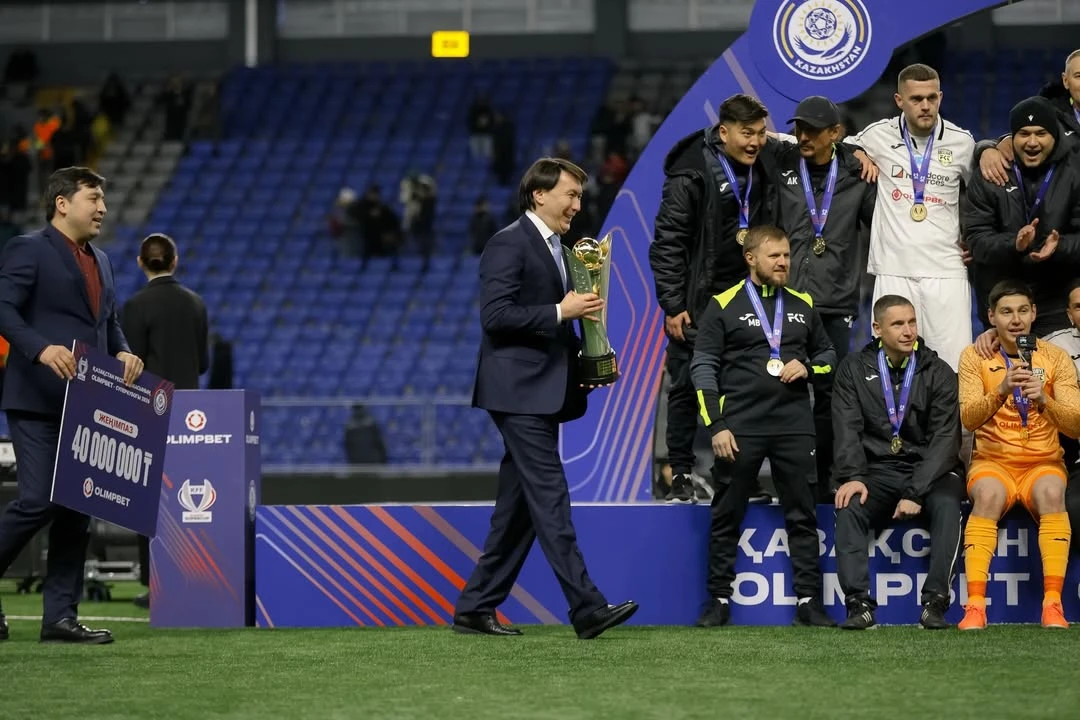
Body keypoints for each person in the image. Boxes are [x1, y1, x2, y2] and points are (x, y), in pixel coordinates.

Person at [453, 157, 637, 640]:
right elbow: (496, 317)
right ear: (539, 194)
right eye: (570, 195)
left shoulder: (561, 249)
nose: (577, 205)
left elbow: (558, 329)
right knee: (550, 497)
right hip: (517, 392)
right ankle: (587, 607)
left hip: (541, 391)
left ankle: (475, 608)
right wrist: (561, 310)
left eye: (579, 196)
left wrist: (590, 361)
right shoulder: (507, 242)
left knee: (519, 511)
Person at [0, 166, 143, 644]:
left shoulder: (101, 260)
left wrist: (123, 350)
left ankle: (60, 618)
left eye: (102, 199)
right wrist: (40, 349)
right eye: (93, 198)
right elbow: (3, 308)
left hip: (86, 404)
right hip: (36, 400)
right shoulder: (28, 248)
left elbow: (108, 322)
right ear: (62, 203)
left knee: (76, 509)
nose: (102, 207)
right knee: (37, 500)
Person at [690, 225, 836, 628]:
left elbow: (828, 354)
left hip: (794, 426)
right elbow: (703, 367)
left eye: (787, 255)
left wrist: (808, 366)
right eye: (775, 256)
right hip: (739, 427)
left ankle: (809, 602)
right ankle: (718, 600)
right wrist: (716, 425)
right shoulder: (722, 304)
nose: (784, 262)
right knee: (726, 515)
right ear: (750, 258)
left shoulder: (803, 304)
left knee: (803, 516)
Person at [649, 93, 780, 504]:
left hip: (746, 297)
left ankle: (735, 475)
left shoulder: (765, 161)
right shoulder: (691, 173)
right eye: (747, 134)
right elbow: (668, 242)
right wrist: (673, 304)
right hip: (697, 299)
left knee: (744, 386)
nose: (755, 142)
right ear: (724, 132)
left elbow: (811, 146)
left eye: (761, 133)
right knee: (686, 386)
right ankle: (680, 474)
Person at [831, 295, 964, 630]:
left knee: (948, 505)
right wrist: (852, 475)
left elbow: (945, 441)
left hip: (931, 472)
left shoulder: (939, 371)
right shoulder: (853, 369)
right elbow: (846, 428)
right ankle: (858, 605)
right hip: (877, 471)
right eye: (898, 324)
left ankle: (935, 603)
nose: (908, 331)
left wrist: (916, 491)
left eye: (912, 322)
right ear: (877, 329)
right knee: (849, 504)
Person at [956, 281, 1079, 630]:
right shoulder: (974, 357)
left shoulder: (1055, 357)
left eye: (1023, 311)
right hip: (993, 461)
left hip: (1043, 461)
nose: (1016, 320)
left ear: (1034, 313)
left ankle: (1052, 604)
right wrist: (1001, 390)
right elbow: (968, 418)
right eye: (1006, 312)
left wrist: (1044, 400)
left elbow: (1075, 426)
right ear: (991, 316)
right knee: (988, 495)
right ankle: (975, 607)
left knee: (1052, 493)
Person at [772, 95, 877, 496]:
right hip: (786, 299)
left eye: (814, 130)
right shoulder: (782, 162)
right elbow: (745, 135)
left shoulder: (856, 174)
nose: (804, 136)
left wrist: (855, 153)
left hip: (835, 301)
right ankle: (789, 481)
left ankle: (827, 479)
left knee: (831, 392)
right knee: (783, 388)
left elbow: (882, 225)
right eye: (799, 128)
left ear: (835, 133)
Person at [846, 64, 976, 371]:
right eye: (916, 99)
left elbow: (982, 195)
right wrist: (857, 153)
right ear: (899, 100)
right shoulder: (877, 135)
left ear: (940, 97)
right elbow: (842, 146)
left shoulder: (962, 142)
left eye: (932, 97)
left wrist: (975, 238)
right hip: (894, 269)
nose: (925, 106)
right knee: (892, 366)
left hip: (946, 270)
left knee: (952, 366)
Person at [121, 233, 209, 610]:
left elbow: (129, 364)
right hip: (191, 415)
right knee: (189, 496)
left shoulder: (134, 306)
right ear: (175, 261)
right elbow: (203, 363)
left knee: (148, 498)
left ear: (141, 263)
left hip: (149, 411)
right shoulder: (195, 303)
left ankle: (154, 582)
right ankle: (195, 576)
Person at [965, 97, 1080, 337]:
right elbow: (976, 238)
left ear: (1055, 135)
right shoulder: (991, 172)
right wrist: (1014, 245)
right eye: (1024, 134)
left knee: (1056, 362)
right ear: (1012, 137)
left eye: (1041, 133)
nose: (1032, 142)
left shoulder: (1075, 172)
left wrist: (1059, 247)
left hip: (1057, 304)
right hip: (1002, 302)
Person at [1039, 279, 1080, 550]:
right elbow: (1016, 348)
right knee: (1074, 508)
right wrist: (992, 333)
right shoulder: (1055, 346)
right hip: (1076, 457)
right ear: (1069, 314)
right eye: (1078, 307)